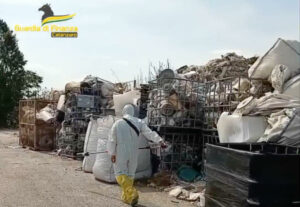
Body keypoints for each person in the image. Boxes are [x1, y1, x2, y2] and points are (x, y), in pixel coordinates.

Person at [107, 104, 164, 206]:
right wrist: (160, 141)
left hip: (121, 151)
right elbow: (149, 133)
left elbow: (112, 140)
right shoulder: (139, 122)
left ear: (124, 112)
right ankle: (126, 197)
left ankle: (132, 193)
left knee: (120, 173)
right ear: (133, 112)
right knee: (130, 173)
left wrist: (112, 153)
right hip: (134, 151)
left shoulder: (117, 123)